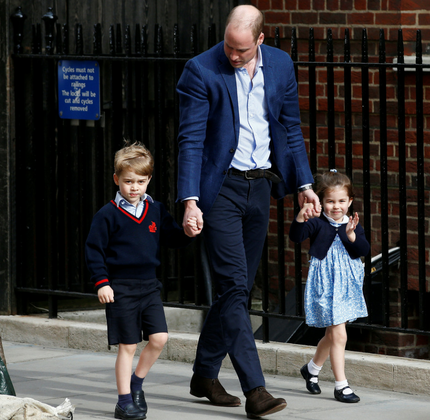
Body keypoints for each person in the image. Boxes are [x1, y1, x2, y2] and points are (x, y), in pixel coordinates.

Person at [176, 4, 321, 418]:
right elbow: (190, 141)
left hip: (260, 188)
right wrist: (190, 200)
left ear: (260, 39)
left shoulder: (280, 64)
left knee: (231, 290)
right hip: (220, 190)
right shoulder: (201, 70)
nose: (232, 56)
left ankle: (204, 373)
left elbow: (290, 127)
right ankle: (255, 389)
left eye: (241, 50)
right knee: (236, 287)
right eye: (228, 46)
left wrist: (304, 186)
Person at [85, 142, 198, 420]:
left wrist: (188, 231)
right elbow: (93, 250)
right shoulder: (107, 215)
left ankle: (137, 384)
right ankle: (124, 401)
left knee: (159, 339)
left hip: (149, 287)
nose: (134, 187)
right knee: (129, 345)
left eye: (140, 181)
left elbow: (172, 237)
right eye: (128, 181)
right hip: (120, 288)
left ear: (148, 180)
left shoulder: (156, 209)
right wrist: (102, 282)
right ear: (116, 180)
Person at [289, 170, 370, 403]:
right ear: (321, 202)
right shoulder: (316, 223)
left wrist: (352, 236)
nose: (336, 207)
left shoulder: (352, 223)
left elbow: (363, 250)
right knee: (339, 335)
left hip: (346, 286)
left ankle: (312, 370)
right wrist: (300, 217)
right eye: (331, 201)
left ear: (350, 202)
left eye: (342, 201)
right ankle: (341, 386)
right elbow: (296, 236)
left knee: (332, 335)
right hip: (326, 284)